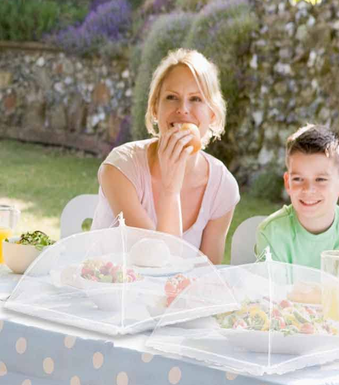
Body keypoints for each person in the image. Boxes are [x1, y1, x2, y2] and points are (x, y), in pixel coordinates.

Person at [92, 48, 240, 264]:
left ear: (212, 113)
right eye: (171, 97)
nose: (183, 109)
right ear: (155, 108)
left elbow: (209, 275)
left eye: (196, 99)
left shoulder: (222, 187)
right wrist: (171, 190)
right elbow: (157, 264)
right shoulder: (119, 168)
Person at [255, 124, 339, 272]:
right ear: (288, 183)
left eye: (320, 179)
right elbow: (273, 287)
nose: (308, 189)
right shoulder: (271, 233)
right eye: (298, 179)